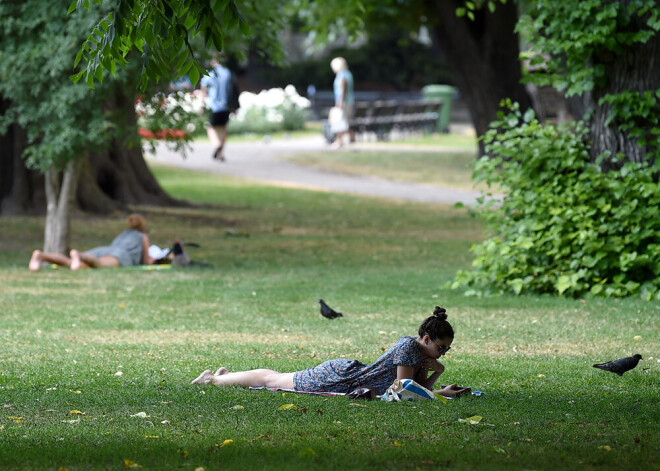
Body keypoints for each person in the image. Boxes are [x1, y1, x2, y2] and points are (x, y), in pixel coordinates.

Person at [191, 306, 471, 397]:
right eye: (441, 347)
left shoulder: (418, 353)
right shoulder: (409, 348)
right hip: (340, 378)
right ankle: (213, 379)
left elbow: (415, 390)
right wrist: (437, 391)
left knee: (277, 376)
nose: (443, 352)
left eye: (446, 349)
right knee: (273, 381)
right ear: (425, 338)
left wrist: (437, 378)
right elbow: (402, 390)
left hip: (348, 374)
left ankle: (228, 375)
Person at [28, 214, 154, 271]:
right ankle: (78, 255)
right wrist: (154, 259)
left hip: (104, 249)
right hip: (121, 256)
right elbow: (146, 261)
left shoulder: (124, 234)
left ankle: (42, 256)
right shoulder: (142, 235)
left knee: (72, 263)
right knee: (99, 264)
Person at [200, 55, 233, 161]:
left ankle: (217, 144)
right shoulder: (227, 72)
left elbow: (204, 90)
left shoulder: (208, 73)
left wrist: (202, 105)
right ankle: (220, 153)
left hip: (213, 106)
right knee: (223, 128)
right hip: (225, 105)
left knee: (211, 127)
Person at [329, 57, 355, 149]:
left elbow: (342, 90)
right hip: (350, 101)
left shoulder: (342, 75)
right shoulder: (348, 74)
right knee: (344, 121)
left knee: (339, 121)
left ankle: (340, 141)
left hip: (343, 102)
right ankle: (347, 139)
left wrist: (340, 102)